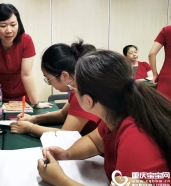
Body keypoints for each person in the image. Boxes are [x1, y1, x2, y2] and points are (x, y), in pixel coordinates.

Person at [38, 50, 170, 186]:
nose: (73, 91)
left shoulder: (136, 138)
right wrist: (66, 154)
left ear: (88, 101)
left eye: (74, 87)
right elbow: (94, 142)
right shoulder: (116, 115)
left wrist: (59, 180)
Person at [10, 41, 101, 137]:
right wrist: (33, 119)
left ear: (64, 75)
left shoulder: (83, 94)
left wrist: (30, 127)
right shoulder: (77, 88)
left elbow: (66, 135)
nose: (49, 83)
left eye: (49, 79)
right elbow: (62, 114)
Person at [0, 3, 52, 109]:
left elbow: (26, 74)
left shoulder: (26, 40)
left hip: (23, 99)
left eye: (13, 25)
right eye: (3, 26)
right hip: (0, 99)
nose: (9, 30)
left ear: (19, 24)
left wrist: (36, 103)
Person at [149, 26, 171, 100]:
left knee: (164, 108)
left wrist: (155, 74)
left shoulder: (167, 30)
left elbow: (152, 54)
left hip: (167, 78)